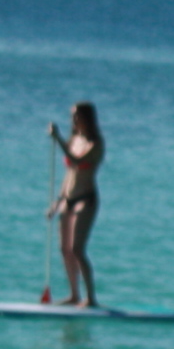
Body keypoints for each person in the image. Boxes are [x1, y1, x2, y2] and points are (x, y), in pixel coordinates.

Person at [44, 102, 103, 308]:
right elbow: (70, 173)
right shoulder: (74, 139)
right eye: (72, 116)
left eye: (77, 116)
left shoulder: (96, 143)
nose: (73, 120)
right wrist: (57, 201)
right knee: (64, 249)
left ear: (87, 118)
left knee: (77, 249)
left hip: (86, 198)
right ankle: (74, 295)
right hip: (68, 198)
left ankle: (91, 298)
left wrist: (58, 138)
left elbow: (77, 161)